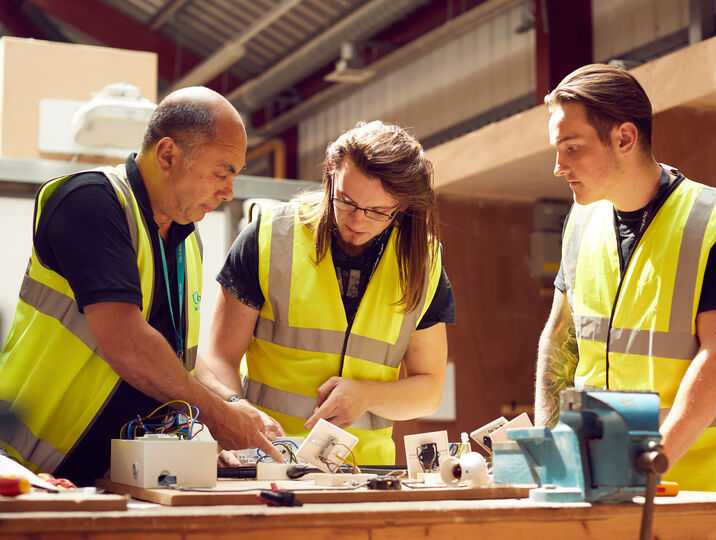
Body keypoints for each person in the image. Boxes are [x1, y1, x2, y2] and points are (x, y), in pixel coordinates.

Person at [0, 86, 283, 486]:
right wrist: (217, 417)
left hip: (109, 482)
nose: (228, 192)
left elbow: (174, 357)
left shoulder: (187, 240)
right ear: (168, 155)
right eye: (221, 173)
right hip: (27, 471)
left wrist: (232, 405)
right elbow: (127, 340)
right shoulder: (91, 201)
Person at [534, 64, 716, 492]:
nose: (558, 166)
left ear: (624, 137)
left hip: (693, 487)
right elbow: (561, 336)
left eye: (572, 148)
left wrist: (646, 466)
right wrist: (551, 449)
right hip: (596, 483)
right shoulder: (580, 222)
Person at [195, 120, 455, 465]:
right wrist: (236, 422)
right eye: (346, 201)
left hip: (369, 473)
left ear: (402, 205)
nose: (358, 221)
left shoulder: (423, 262)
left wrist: (366, 396)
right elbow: (218, 358)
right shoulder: (270, 237)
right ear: (331, 173)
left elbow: (429, 391)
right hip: (269, 461)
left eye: (378, 211)